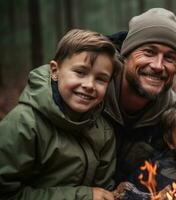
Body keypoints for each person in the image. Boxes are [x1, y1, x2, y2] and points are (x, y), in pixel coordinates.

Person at [0, 29, 120, 200]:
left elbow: (104, 190)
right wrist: (83, 196)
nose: (89, 85)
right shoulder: (24, 123)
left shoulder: (104, 130)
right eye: (80, 72)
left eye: (101, 79)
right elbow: (6, 193)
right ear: (55, 71)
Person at [104, 8, 176, 183]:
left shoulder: (173, 115)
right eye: (149, 52)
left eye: (169, 58)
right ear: (126, 55)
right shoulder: (91, 93)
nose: (158, 65)